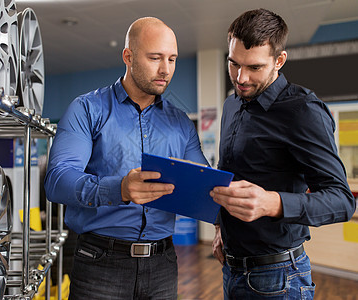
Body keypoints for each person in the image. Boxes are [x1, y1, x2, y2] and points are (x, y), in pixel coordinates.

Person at [44, 17, 208, 299]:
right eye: (155, 57)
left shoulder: (181, 123)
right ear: (128, 56)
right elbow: (57, 181)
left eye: (172, 59)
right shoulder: (87, 109)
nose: (165, 69)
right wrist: (118, 188)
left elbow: (203, 182)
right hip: (100, 263)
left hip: (163, 264)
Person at [210, 8, 356, 300]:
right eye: (233, 64)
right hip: (231, 270)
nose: (240, 77)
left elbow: (341, 201)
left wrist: (272, 202)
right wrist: (220, 228)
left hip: (279, 278)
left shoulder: (303, 111)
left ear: (279, 60)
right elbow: (233, 177)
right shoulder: (231, 105)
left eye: (254, 67)